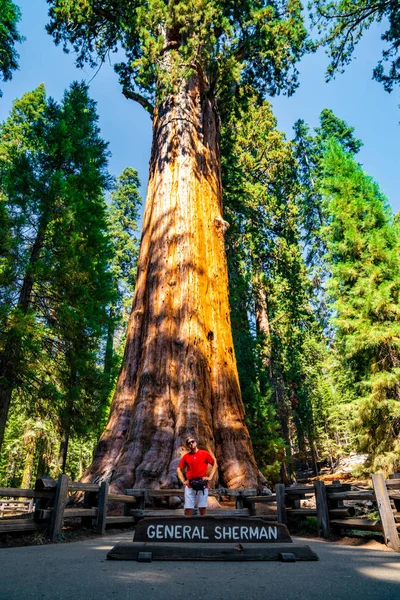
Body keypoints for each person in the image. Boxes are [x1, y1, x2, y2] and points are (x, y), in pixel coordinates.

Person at [177, 436, 217, 516]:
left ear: (196, 442)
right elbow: (178, 469)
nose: (191, 443)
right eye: (189, 443)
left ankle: (203, 526)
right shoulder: (186, 456)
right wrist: (183, 481)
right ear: (187, 446)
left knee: (202, 508)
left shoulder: (204, 453)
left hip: (202, 484)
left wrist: (210, 477)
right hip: (190, 485)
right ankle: (189, 527)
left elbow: (215, 464)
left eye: (192, 441)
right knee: (188, 509)